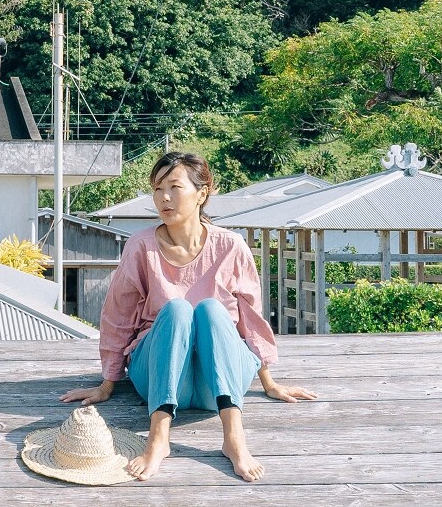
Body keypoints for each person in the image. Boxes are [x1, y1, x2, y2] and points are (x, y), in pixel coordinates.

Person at [59, 151, 316, 482]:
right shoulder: (141, 246)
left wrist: (268, 381)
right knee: (178, 308)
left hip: (218, 383)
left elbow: (250, 318)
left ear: (202, 193)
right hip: (161, 378)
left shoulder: (231, 245)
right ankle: (159, 434)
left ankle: (234, 437)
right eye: (157, 189)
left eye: (175, 187)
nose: (164, 198)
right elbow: (118, 316)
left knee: (210, 309)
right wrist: (107, 384)